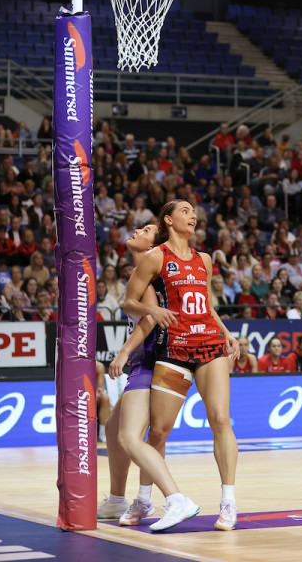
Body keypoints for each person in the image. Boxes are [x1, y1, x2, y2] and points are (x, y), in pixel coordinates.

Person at [123, 200, 242, 531]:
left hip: (210, 346)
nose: (193, 215)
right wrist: (153, 311)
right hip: (172, 349)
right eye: (186, 211)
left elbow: (206, 304)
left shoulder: (204, 259)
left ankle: (228, 502)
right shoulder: (156, 256)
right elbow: (129, 301)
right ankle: (145, 499)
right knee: (158, 431)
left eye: (194, 212)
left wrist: (226, 333)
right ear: (169, 220)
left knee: (220, 418)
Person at [97, 224, 184, 528]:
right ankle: (117, 500)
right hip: (145, 362)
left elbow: (150, 317)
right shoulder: (142, 272)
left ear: (153, 245)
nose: (136, 229)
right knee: (112, 428)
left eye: (146, 229)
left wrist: (122, 352)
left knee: (130, 438)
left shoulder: (148, 276)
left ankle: (174, 498)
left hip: (150, 362)